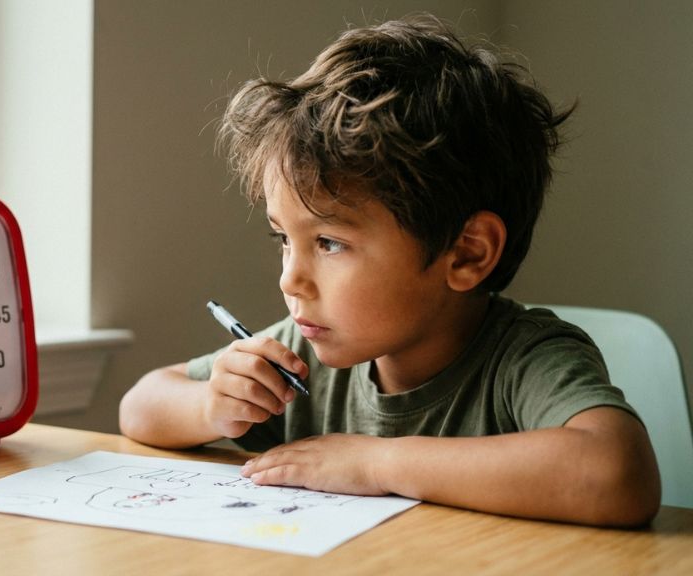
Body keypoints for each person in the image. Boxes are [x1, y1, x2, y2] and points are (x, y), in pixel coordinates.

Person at [118, 14, 661, 526]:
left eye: (329, 242)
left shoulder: (525, 359)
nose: (290, 280)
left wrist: (377, 465)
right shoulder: (304, 355)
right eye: (285, 239)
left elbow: (615, 473)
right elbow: (140, 405)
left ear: (467, 253)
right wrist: (211, 406)